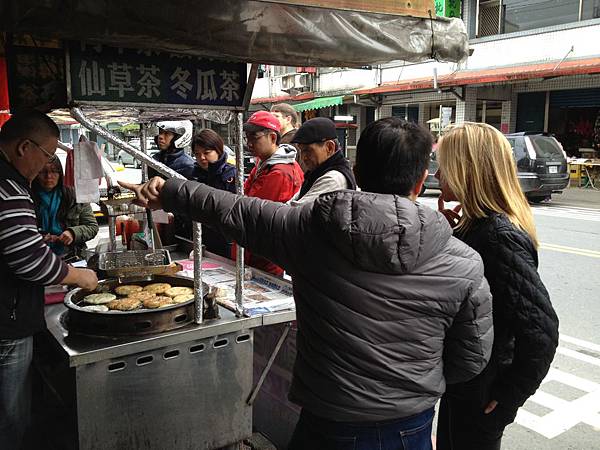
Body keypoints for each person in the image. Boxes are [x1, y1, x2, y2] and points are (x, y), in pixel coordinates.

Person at [121, 117, 493, 450]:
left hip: (327, 419)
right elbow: (470, 358)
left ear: (358, 170)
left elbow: (232, 210)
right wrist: (411, 378)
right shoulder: (463, 261)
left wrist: (166, 190)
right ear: (420, 178)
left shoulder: (309, 229)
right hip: (409, 426)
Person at [435, 122, 559, 450]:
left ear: (467, 171)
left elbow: (542, 335)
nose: (437, 176)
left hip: (481, 394)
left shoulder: (498, 237)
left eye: (443, 167)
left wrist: (506, 398)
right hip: (463, 383)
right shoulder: (473, 227)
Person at [0, 110, 98, 450]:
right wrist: (78, 277)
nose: (46, 167)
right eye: (46, 155)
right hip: (6, 321)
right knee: (10, 418)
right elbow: (27, 258)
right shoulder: (7, 184)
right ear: (24, 147)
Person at [241, 110, 303, 275]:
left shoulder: (279, 172)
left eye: (255, 137)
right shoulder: (264, 162)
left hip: (266, 248)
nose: (250, 143)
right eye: (247, 138)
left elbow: (251, 207)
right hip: (259, 244)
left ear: (273, 138)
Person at [32, 157, 99, 259]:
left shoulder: (74, 196)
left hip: (72, 256)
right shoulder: (27, 198)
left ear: (60, 173)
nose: (48, 176)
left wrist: (72, 233)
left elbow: (92, 227)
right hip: (38, 259)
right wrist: (39, 238)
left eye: (54, 171)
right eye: (42, 172)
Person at [289, 117, 356, 205]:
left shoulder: (333, 179)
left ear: (329, 147)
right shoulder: (316, 172)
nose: (303, 157)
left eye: (308, 150)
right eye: (301, 151)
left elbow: (296, 211)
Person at [191, 129, 236, 257]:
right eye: (197, 154)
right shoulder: (195, 175)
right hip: (204, 236)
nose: (202, 158)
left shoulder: (231, 174)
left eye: (206, 153)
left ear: (218, 150)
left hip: (227, 239)